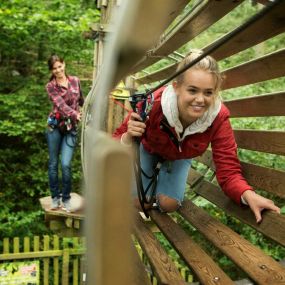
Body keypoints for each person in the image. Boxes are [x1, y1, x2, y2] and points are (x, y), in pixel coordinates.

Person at [113, 49, 280, 223]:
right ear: (176, 87)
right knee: (139, 202)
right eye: (192, 90)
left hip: (180, 156)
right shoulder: (152, 104)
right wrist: (127, 138)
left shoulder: (218, 117)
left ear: (215, 92)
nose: (200, 99)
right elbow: (116, 138)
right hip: (148, 148)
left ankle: (161, 181)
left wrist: (247, 195)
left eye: (208, 93)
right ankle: (150, 182)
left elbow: (228, 170)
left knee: (169, 204)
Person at [46, 55, 84, 212]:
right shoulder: (51, 86)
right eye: (54, 68)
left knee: (66, 164)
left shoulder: (75, 80)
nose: (58, 70)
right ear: (52, 70)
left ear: (64, 64)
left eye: (60, 66)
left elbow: (81, 100)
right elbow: (60, 105)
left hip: (71, 128)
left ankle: (66, 198)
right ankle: (55, 197)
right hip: (55, 127)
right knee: (54, 163)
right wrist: (76, 114)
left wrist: (86, 108)